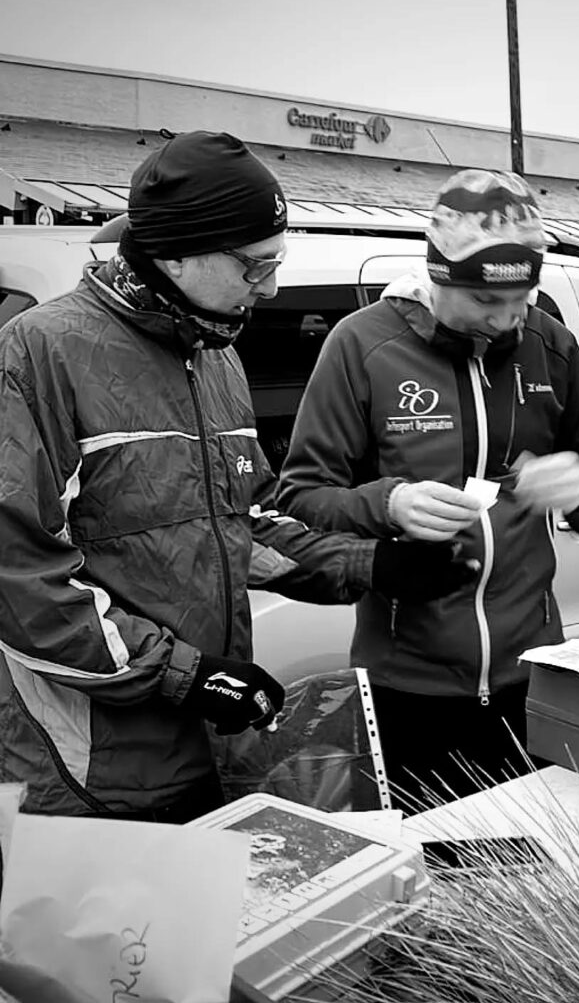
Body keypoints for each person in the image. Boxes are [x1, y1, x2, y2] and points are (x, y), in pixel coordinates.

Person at [0, 131, 475, 821]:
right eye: (255, 266)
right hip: (88, 769)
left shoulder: (215, 353)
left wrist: (372, 565)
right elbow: (20, 581)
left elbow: (244, 523)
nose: (271, 287)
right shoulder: (39, 353)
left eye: (276, 262)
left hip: (208, 752)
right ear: (176, 253)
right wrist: (190, 678)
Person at [277, 168, 579, 807]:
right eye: (486, 300)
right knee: (431, 856)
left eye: (522, 297)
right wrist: (389, 503)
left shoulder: (549, 343)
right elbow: (301, 496)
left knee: (528, 854)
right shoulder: (363, 345)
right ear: (439, 277)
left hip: (532, 671)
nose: (508, 318)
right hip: (406, 681)